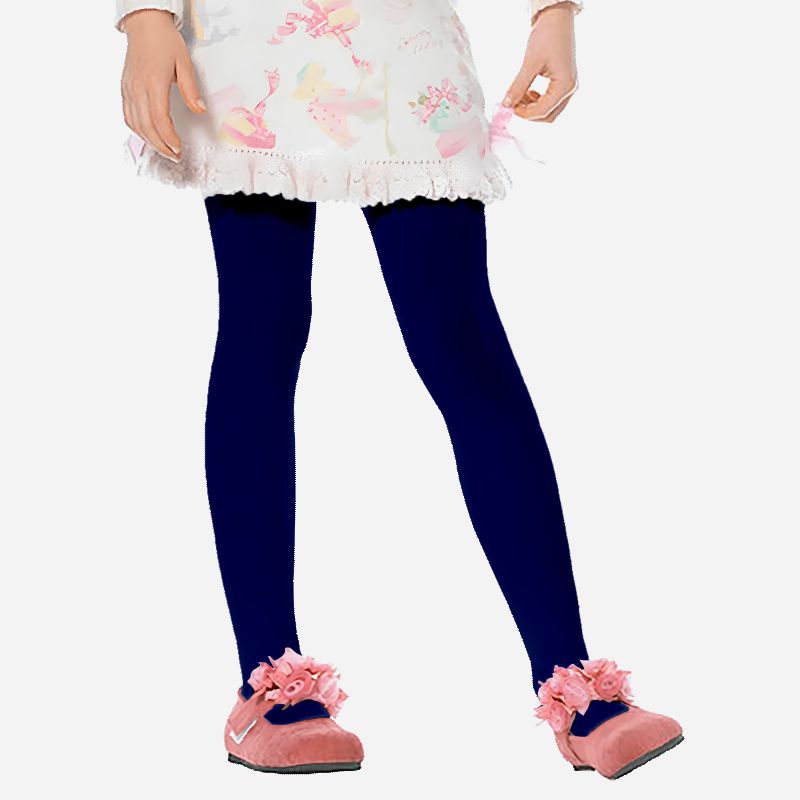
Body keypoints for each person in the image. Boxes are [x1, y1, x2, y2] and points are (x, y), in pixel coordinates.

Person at [115, 0, 683, 779]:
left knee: (460, 341)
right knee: (262, 326)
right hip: (248, 36)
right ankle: (269, 683)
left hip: (405, 39)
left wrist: (553, 12)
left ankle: (572, 680)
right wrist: (145, 16)